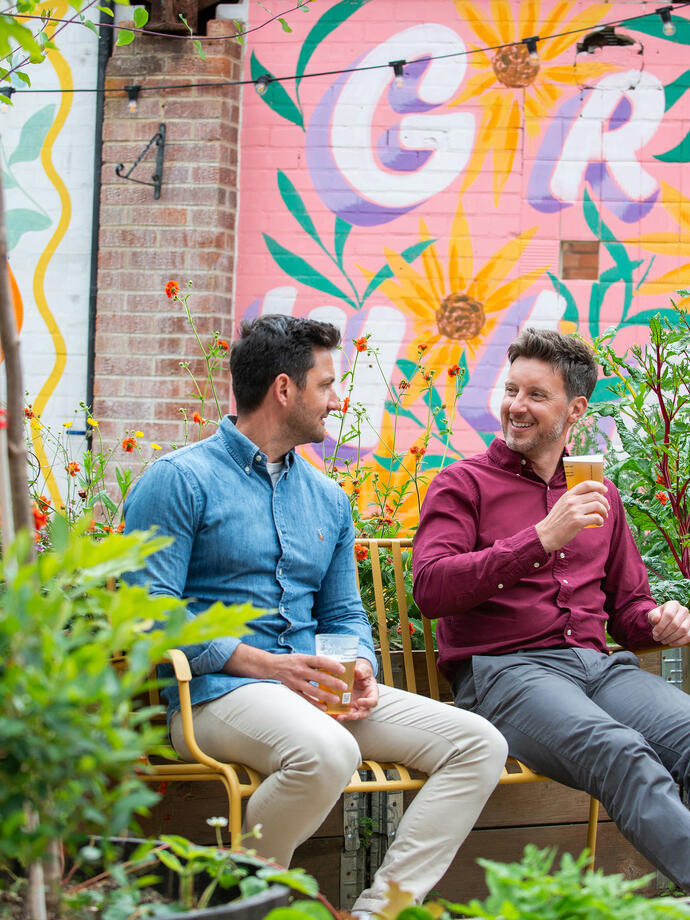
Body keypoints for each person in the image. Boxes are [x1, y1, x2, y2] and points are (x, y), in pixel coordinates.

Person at [124, 314, 507, 915]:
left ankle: (380, 912)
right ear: (284, 389)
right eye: (326, 385)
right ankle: (238, 902)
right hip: (215, 693)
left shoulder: (328, 498)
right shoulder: (179, 481)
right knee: (328, 751)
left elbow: (344, 611)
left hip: (311, 692)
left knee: (477, 743)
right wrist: (266, 665)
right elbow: (147, 613)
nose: (336, 399)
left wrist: (357, 664)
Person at [413, 326, 690, 890]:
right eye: (512, 390)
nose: (516, 406)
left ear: (575, 409)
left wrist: (661, 621)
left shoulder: (597, 493)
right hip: (506, 672)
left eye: (536, 395)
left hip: (598, 668)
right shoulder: (462, 484)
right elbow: (432, 588)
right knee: (623, 752)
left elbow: (629, 611)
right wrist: (540, 538)